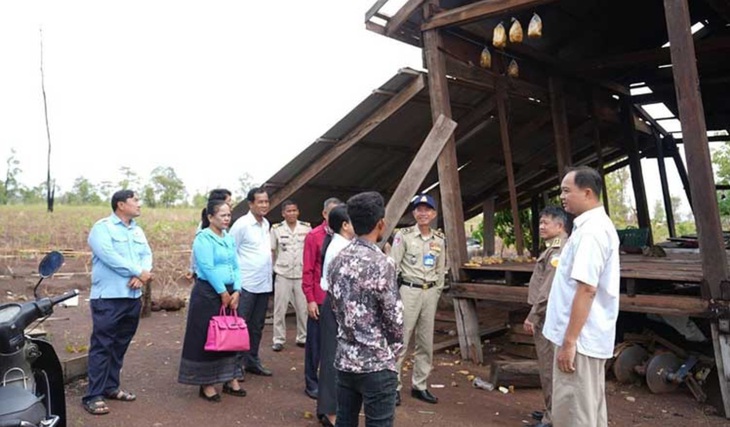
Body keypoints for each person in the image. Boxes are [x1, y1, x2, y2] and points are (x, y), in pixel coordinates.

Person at [542, 166, 620, 427]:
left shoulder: (591, 232)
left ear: (587, 193)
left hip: (580, 341)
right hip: (585, 338)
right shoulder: (590, 227)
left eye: (566, 191)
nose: (562, 196)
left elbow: (587, 289)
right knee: (588, 409)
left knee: (575, 412)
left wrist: (569, 342)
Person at [329, 191, 403, 427]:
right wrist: (393, 350)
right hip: (376, 362)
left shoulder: (337, 259)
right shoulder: (382, 263)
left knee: (345, 420)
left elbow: (336, 306)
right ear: (381, 224)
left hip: (345, 359)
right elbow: (394, 317)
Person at [83, 189, 153, 416]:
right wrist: (137, 271)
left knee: (120, 344)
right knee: (103, 345)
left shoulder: (137, 230)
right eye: (135, 200)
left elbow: (146, 255)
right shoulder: (102, 228)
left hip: (131, 297)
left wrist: (142, 273)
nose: (139, 204)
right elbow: (109, 256)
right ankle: (93, 395)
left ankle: (111, 387)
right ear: (121, 205)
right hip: (109, 298)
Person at [178, 199, 246, 402]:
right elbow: (207, 267)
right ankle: (206, 383)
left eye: (228, 215)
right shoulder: (203, 238)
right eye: (222, 215)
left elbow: (236, 265)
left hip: (230, 291)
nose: (227, 219)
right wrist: (222, 292)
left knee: (230, 333)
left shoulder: (228, 238)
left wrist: (237, 290)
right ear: (210, 217)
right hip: (208, 293)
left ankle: (230, 378)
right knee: (207, 336)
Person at [390, 194, 445, 406]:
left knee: (425, 341)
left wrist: (436, 292)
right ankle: (393, 385)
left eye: (427, 210)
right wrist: (394, 296)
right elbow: (393, 266)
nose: (423, 213)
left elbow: (441, 271)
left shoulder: (439, 239)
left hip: (429, 292)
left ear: (433, 214)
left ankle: (420, 385)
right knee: (401, 340)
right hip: (409, 291)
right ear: (413, 213)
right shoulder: (403, 236)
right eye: (418, 209)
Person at [522, 206, 569, 427]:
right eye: (540, 223)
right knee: (548, 366)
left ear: (559, 226)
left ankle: (553, 418)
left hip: (548, 316)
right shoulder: (552, 248)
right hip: (548, 315)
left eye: (546, 223)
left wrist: (533, 316)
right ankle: (551, 410)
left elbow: (548, 289)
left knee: (550, 367)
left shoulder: (558, 251)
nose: (541, 227)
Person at [230, 187, 274, 376]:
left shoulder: (266, 224)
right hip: (245, 284)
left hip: (263, 283)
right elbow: (230, 253)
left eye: (266, 201)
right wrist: (234, 285)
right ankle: (235, 365)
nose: (264, 205)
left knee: (257, 326)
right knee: (241, 324)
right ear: (250, 204)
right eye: (260, 202)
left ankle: (252, 361)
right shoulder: (241, 224)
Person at [317, 205, 354, 427]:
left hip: (336, 306)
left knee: (336, 359)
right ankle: (330, 413)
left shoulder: (343, 244)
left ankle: (328, 408)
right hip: (335, 306)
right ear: (345, 225)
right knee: (332, 360)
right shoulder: (340, 247)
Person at [301, 197, 341, 399]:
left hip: (339, 299)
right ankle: (311, 382)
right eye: (331, 213)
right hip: (319, 298)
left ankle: (331, 382)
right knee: (315, 344)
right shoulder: (314, 236)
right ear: (324, 214)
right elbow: (308, 270)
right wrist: (310, 299)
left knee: (335, 343)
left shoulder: (344, 236)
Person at [270, 200, 311, 351]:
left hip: (301, 273)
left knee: (303, 308)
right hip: (283, 273)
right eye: (289, 211)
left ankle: (303, 337)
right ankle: (278, 339)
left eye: (294, 210)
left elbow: (309, 251)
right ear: (283, 213)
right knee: (279, 308)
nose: (292, 213)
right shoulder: (276, 229)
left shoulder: (306, 228)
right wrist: (274, 268)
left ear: (298, 212)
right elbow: (272, 251)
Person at [186, 188, 232, 280]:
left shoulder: (223, 228)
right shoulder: (204, 230)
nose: (231, 204)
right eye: (229, 201)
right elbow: (197, 251)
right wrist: (192, 269)